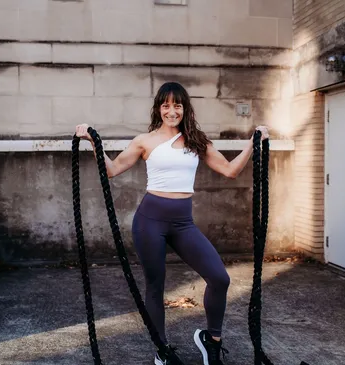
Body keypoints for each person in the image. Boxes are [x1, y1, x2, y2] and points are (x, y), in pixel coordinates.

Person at [75, 82, 269, 365]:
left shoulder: (197, 142)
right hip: (149, 221)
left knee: (219, 278)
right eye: (166, 105)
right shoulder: (145, 141)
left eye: (177, 105)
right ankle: (162, 351)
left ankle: (211, 341)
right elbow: (113, 169)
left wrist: (253, 142)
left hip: (182, 223)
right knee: (155, 285)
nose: (171, 111)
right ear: (158, 109)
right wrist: (93, 141)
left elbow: (230, 170)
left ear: (184, 109)